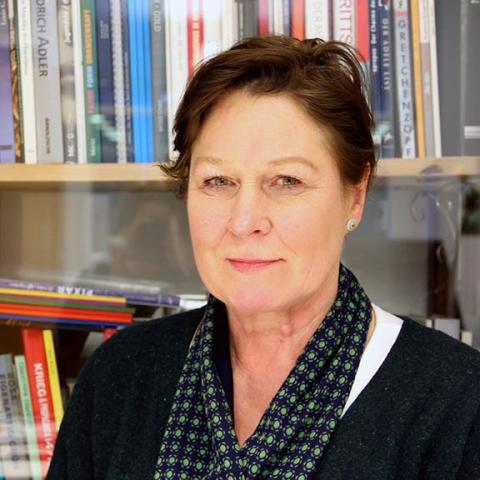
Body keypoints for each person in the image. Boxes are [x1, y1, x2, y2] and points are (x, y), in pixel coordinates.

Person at [47, 36, 480, 480]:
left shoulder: (458, 401)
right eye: (218, 181)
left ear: (355, 195)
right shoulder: (121, 375)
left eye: (287, 180)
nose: (245, 220)